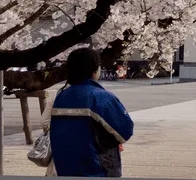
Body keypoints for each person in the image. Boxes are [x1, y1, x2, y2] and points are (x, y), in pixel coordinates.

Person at [50, 47, 134, 177]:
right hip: (97, 171)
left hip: (65, 169)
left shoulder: (61, 97)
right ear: (95, 70)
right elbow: (125, 130)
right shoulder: (100, 97)